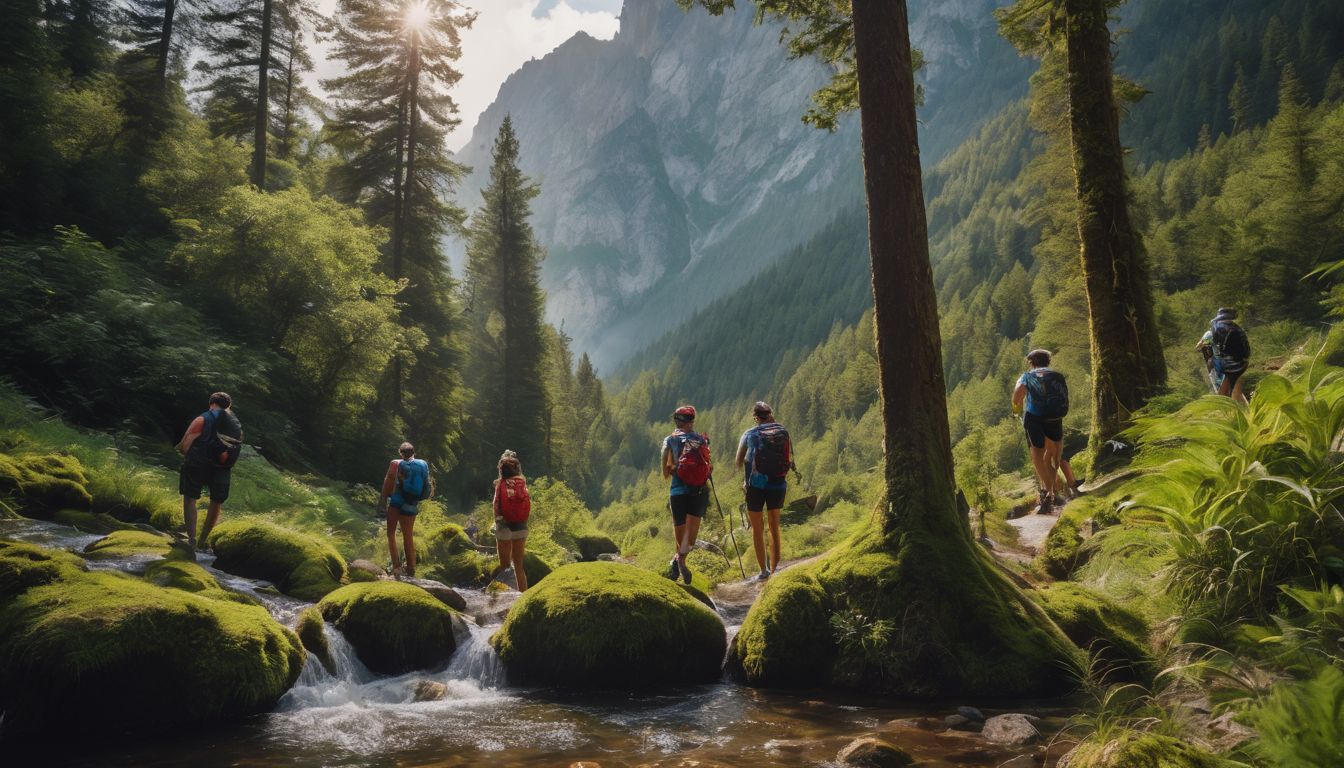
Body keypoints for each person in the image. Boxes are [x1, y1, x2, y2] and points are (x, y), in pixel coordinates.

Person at [1012, 350, 1077, 514]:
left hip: (1034, 418)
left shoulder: (1026, 376)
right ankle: (1059, 486)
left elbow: (1017, 396)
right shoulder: (1057, 375)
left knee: (1037, 456)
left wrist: (1016, 410)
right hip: (1055, 417)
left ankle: (1050, 491)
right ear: (1047, 361)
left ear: (1031, 362)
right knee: (1055, 452)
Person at [176, 392, 243, 550]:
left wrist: (188, 456)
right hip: (222, 467)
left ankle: (191, 539)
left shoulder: (202, 419)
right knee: (216, 501)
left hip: (198, 465)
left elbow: (185, 445)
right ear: (228, 406)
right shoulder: (234, 424)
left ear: (211, 403)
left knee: (190, 498)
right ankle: (203, 540)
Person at [735, 401, 791, 581]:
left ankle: (764, 571)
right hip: (777, 484)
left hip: (756, 487)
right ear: (770, 414)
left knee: (758, 529)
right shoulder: (782, 431)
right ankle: (776, 569)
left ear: (755, 417)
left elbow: (738, 460)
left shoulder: (750, 433)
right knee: (775, 527)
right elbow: (789, 457)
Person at [662, 405, 711, 584]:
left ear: (677, 421)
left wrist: (671, 471)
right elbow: (708, 465)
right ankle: (679, 560)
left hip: (677, 491)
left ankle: (678, 561)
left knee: (680, 533)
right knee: (689, 538)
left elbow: (665, 470)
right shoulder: (702, 440)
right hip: (698, 490)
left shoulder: (670, 440)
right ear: (692, 421)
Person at [378, 442, 431, 578]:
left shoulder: (395, 463)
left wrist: (382, 502)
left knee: (391, 534)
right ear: (414, 452)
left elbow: (388, 483)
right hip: (411, 504)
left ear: (400, 453)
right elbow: (427, 485)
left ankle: (396, 567)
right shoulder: (422, 464)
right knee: (408, 536)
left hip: (396, 502)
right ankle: (411, 569)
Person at [487, 450, 531, 591]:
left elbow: (495, 505)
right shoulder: (522, 484)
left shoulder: (501, 484)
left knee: (505, 567)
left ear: (501, 469)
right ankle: (523, 599)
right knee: (519, 567)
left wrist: (497, 523)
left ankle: (506, 601)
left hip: (504, 527)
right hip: (521, 526)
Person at [1198, 307, 1250, 404]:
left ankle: (1227, 414)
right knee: (1237, 391)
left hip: (1225, 364)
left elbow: (1198, 347)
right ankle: (1247, 412)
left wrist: (1205, 344)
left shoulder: (1212, 332)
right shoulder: (1237, 328)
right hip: (1241, 361)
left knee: (1222, 392)